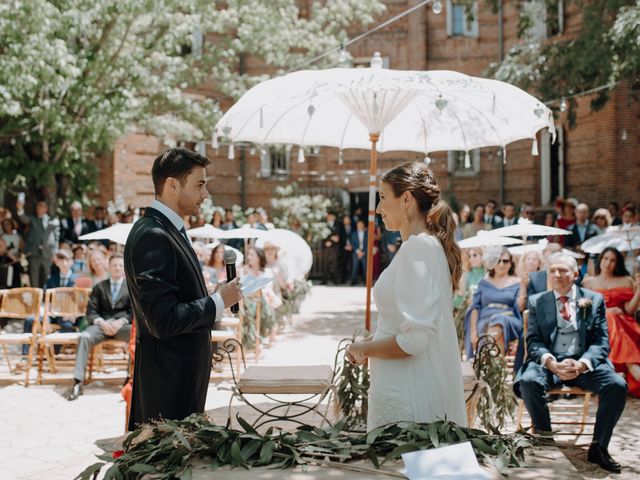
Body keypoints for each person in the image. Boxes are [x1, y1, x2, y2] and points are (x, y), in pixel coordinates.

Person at [124, 147, 242, 430]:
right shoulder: (153, 235)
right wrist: (216, 301)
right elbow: (162, 320)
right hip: (168, 386)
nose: (206, 195)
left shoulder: (167, 229)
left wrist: (211, 295)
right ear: (172, 185)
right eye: (200, 185)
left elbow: (175, 298)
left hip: (180, 380)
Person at [346, 161, 467, 430]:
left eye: (383, 197)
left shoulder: (418, 250)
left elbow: (414, 340)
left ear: (406, 199)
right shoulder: (423, 246)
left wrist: (362, 349)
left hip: (408, 393)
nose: (377, 209)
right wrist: (374, 339)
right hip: (401, 385)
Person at [514, 252, 627, 473]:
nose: (556, 275)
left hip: (582, 364)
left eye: (562, 270)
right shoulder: (538, 301)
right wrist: (551, 363)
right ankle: (546, 440)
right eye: (552, 270)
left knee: (617, 385)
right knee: (528, 381)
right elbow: (534, 341)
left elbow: (601, 342)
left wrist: (583, 364)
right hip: (551, 363)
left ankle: (598, 448)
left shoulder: (593, 300)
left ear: (575, 274)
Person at [66, 253, 133, 401]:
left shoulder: (131, 287)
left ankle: (129, 378)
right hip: (101, 326)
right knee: (84, 336)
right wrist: (102, 322)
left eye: (121, 265)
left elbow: (133, 312)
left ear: (124, 268)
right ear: (108, 267)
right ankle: (78, 382)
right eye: (114, 265)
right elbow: (91, 311)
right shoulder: (99, 287)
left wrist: (120, 322)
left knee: (137, 338)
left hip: (122, 327)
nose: (117, 268)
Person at [582, 247, 640, 397]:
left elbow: (629, 309)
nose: (608, 263)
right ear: (600, 259)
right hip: (597, 324)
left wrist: (639, 289)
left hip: (624, 324)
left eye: (613, 260)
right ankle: (629, 363)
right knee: (609, 317)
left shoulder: (626, 280)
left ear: (617, 263)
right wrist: (606, 311)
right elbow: (583, 310)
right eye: (606, 258)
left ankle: (618, 369)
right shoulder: (589, 281)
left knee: (614, 319)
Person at [464, 247, 525, 357]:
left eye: (505, 261)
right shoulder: (483, 282)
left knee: (499, 321)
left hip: (509, 319)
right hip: (484, 320)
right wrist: (473, 332)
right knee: (491, 327)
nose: (501, 264)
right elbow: (475, 307)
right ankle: (495, 365)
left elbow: (520, 307)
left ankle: (488, 357)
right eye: (498, 260)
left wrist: (523, 286)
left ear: (510, 263)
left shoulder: (518, 282)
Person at [16, 199, 60, 288]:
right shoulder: (33, 219)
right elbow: (24, 218)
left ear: (46, 208)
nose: (39, 208)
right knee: (34, 277)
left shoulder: (53, 220)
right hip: (34, 253)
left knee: (47, 276)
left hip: (47, 253)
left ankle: (46, 296)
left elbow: (56, 236)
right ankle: (36, 297)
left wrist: (55, 251)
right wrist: (20, 209)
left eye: (42, 206)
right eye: (38, 206)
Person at [321, 212, 340, 284]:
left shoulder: (337, 225)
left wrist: (330, 240)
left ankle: (336, 280)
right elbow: (322, 235)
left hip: (334, 247)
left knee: (335, 263)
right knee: (325, 263)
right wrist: (329, 239)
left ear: (334, 217)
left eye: (331, 216)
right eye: (328, 216)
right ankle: (324, 280)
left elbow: (337, 237)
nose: (329, 217)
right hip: (325, 246)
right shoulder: (324, 225)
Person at [350, 219, 367, 285]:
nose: (360, 225)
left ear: (363, 225)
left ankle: (366, 281)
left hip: (364, 252)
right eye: (359, 224)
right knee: (355, 267)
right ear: (357, 225)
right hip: (356, 252)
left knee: (365, 267)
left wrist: (363, 252)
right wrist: (357, 251)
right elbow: (352, 243)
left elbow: (368, 243)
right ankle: (353, 281)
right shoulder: (354, 233)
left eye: (361, 224)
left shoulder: (366, 233)